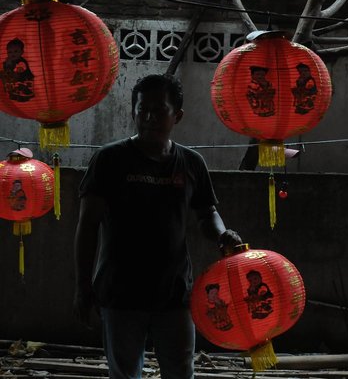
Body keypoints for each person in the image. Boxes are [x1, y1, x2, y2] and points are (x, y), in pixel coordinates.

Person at [73, 74, 242, 379]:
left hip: (174, 294)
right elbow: (87, 226)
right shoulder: (109, 160)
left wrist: (223, 235)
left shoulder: (191, 163)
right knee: (124, 373)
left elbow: (207, 214)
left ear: (177, 115)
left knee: (180, 371)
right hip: (120, 293)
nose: (149, 117)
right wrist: (83, 286)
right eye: (142, 110)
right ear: (133, 112)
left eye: (159, 110)